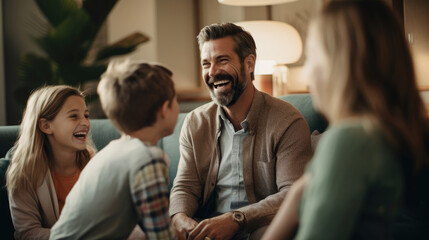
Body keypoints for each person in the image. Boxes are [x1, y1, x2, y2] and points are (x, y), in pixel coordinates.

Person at [262, 0, 429, 239]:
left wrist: (293, 204)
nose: (307, 74)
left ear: (339, 65)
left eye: (312, 58)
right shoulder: (399, 132)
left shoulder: (351, 140)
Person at [169, 22, 313, 240]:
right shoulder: (195, 122)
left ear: (250, 63)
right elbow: (185, 186)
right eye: (206, 63)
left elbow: (292, 194)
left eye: (222, 60)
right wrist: (179, 217)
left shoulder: (287, 121)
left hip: (259, 228)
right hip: (207, 230)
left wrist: (236, 219)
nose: (213, 72)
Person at [49, 61, 178, 239]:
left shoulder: (109, 153)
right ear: (164, 109)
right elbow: (161, 236)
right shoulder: (148, 158)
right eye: (175, 100)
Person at [6, 85, 96, 239]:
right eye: (74, 116)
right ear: (46, 126)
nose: (85, 123)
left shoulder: (96, 165)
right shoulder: (25, 174)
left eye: (86, 115)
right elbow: (27, 233)